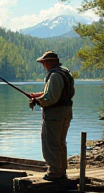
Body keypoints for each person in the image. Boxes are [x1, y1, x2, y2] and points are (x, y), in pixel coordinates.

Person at [29, 51, 75, 181]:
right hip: (66, 112)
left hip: (55, 115)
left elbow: (51, 98)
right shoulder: (65, 74)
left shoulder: (54, 76)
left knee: (51, 143)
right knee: (60, 143)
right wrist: (37, 95)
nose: (43, 65)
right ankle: (61, 172)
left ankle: (54, 173)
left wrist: (38, 101)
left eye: (44, 62)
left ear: (49, 62)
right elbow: (66, 93)